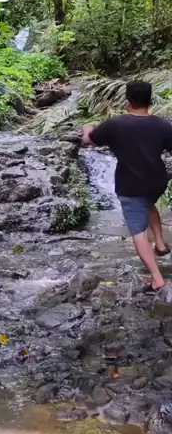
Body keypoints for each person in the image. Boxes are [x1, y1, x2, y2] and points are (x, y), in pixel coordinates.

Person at [82, 80, 172, 293]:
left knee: (138, 233)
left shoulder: (116, 124)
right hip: (157, 181)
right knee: (148, 203)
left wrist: (87, 128)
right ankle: (160, 245)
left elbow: (88, 141)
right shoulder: (162, 125)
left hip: (130, 185)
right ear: (150, 101)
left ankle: (157, 279)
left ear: (128, 101)